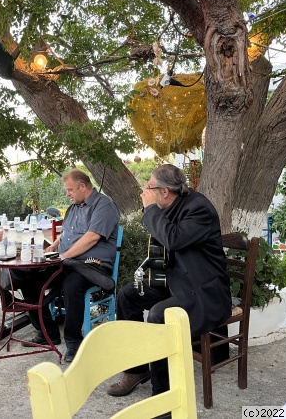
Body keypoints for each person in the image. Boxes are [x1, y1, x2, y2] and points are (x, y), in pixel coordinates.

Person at [107, 164, 232, 399]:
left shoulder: (199, 209)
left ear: (164, 192)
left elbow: (174, 239)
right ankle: (136, 370)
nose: (144, 192)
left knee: (158, 314)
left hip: (202, 290)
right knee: (127, 295)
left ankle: (163, 396)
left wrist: (151, 210)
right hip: (174, 282)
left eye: (149, 187)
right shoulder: (168, 206)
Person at [13, 169, 120, 363]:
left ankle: (74, 342)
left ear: (82, 186)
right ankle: (47, 332)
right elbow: (68, 234)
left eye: (70, 190)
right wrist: (54, 246)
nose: (67, 194)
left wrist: (62, 256)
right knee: (26, 277)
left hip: (92, 265)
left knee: (72, 286)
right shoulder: (73, 208)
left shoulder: (104, 205)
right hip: (67, 262)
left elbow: (91, 237)